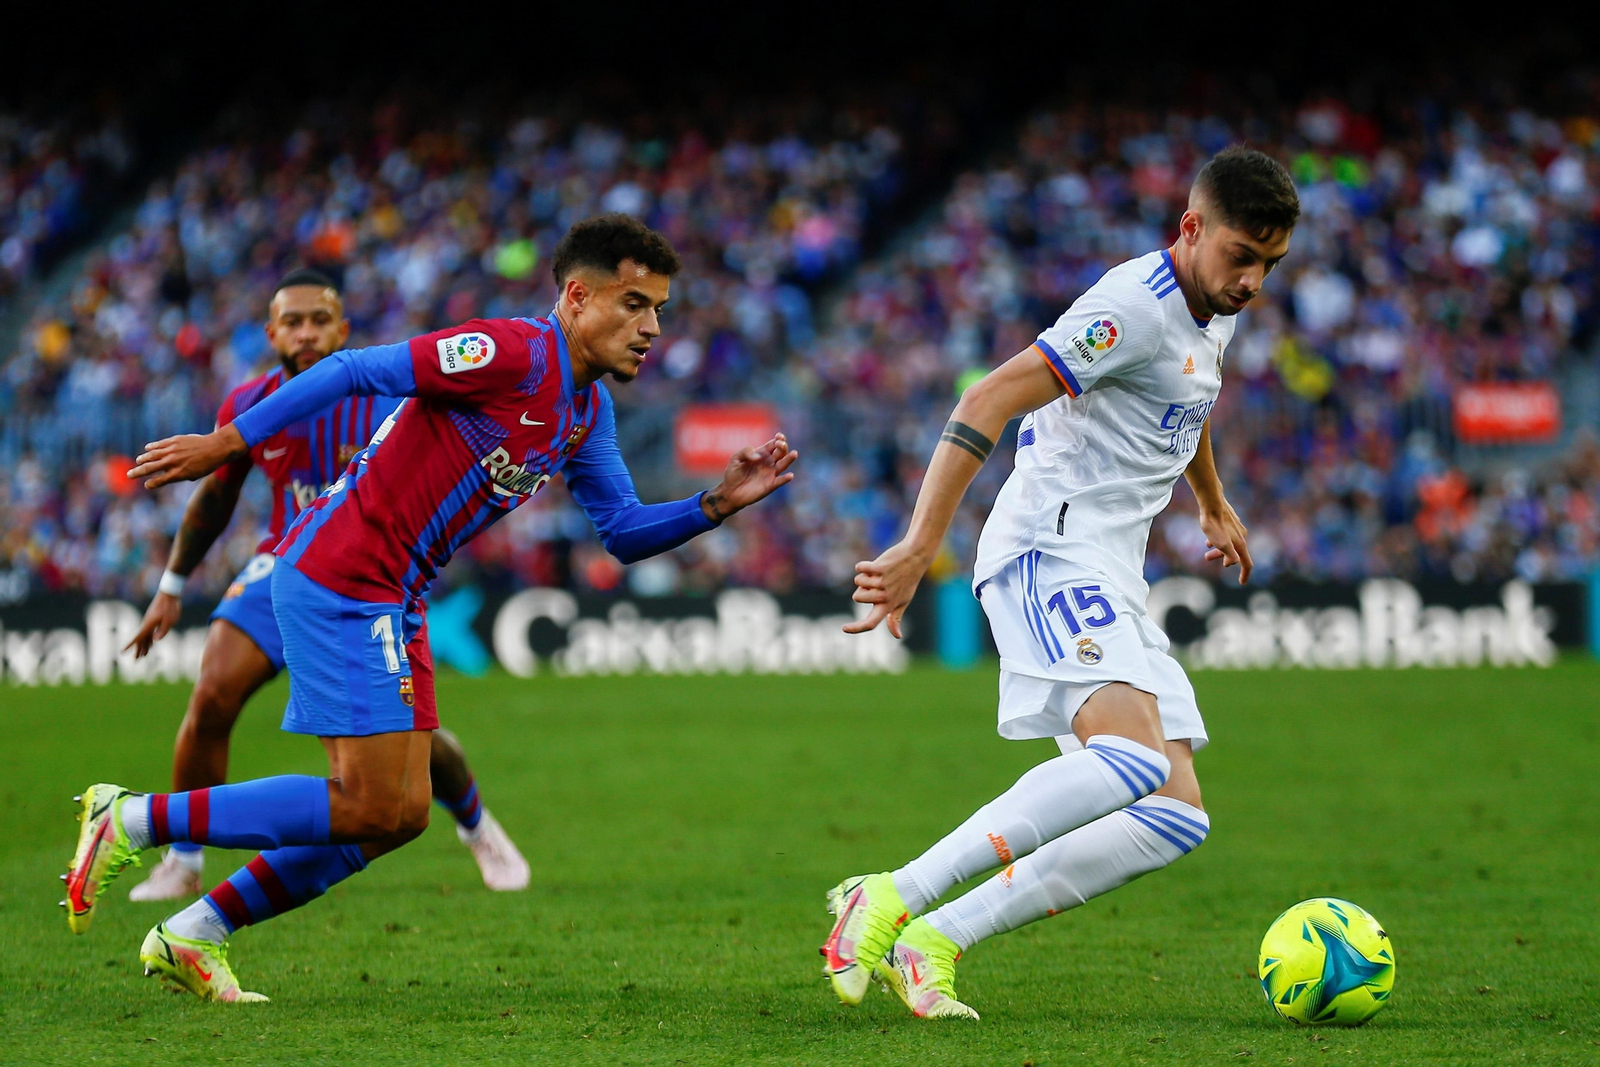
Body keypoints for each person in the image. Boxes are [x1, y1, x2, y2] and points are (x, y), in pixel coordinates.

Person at [65, 214, 799, 1002]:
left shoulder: (586, 410)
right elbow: (351, 370)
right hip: (340, 571)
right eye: (633, 304)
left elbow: (620, 531)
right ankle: (134, 820)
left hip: (397, 591)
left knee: (399, 815)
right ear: (578, 297)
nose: (651, 327)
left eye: (658, 309)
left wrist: (715, 503)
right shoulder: (511, 352)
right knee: (367, 799)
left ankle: (194, 931)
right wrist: (226, 441)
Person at [820, 147, 1298, 1019]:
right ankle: (889, 894)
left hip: (1114, 569)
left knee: (1174, 812)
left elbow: (1187, 402)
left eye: (1270, 264)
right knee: (1127, 761)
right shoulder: (1132, 309)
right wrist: (921, 545)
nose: (1254, 281)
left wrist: (1213, 502)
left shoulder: (1212, 308)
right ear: (1191, 229)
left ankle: (936, 939)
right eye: (1242, 256)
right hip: (1051, 548)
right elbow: (985, 400)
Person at [122, 270, 530, 900]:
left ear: (343, 330)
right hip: (281, 567)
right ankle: (183, 859)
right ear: (271, 333)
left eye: (320, 321)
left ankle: (477, 825)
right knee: (211, 695)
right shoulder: (247, 405)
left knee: (415, 750)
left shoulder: (386, 398)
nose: (307, 332)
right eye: (293, 321)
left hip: (367, 582)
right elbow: (215, 501)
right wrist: (172, 585)